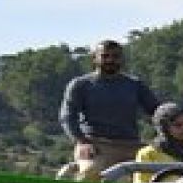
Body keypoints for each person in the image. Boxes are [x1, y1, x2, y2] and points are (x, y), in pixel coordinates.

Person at [59, 39, 160, 173]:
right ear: (95, 59)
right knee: (90, 175)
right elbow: (68, 117)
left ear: (121, 59)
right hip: (96, 145)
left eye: (115, 56)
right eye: (105, 56)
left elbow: (158, 112)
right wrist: (81, 141)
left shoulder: (135, 85)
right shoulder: (80, 85)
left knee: (163, 175)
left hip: (131, 145)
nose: (110, 60)